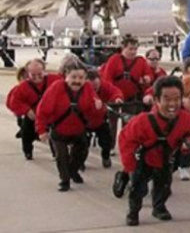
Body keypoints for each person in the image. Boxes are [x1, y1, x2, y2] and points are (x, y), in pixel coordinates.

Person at [118, 76, 190, 226]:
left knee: (164, 186)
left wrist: (189, 143)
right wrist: (129, 166)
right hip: (143, 160)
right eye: (167, 99)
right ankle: (133, 211)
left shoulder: (187, 119)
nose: (172, 104)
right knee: (138, 188)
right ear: (156, 99)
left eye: (177, 99)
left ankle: (159, 208)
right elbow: (125, 141)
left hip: (165, 160)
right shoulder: (142, 121)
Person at [36, 57, 101, 192]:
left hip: (79, 130)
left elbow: (93, 108)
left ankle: (73, 171)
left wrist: (98, 106)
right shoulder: (56, 88)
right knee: (62, 156)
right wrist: (42, 130)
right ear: (65, 75)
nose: (77, 81)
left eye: (81, 77)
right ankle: (65, 180)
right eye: (74, 77)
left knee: (82, 152)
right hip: (59, 131)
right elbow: (43, 110)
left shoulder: (88, 88)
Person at [6, 59, 62, 160]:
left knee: (56, 134)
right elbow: (12, 102)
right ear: (28, 74)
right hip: (33, 116)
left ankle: (57, 153)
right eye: (33, 75)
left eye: (40, 74)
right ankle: (28, 151)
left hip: (52, 115)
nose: (37, 77)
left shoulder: (56, 80)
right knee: (26, 132)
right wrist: (26, 110)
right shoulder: (22, 87)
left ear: (45, 71)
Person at [85, 69, 123, 169]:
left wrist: (117, 98)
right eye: (92, 87)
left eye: (96, 86)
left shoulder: (105, 86)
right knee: (82, 143)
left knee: (107, 141)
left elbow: (115, 91)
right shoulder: (81, 89)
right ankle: (80, 161)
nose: (95, 88)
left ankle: (105, 157)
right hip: (85, 121)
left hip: (100, 120)